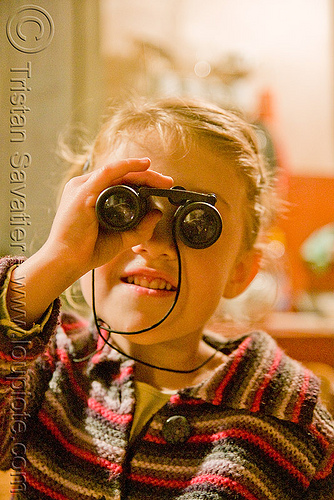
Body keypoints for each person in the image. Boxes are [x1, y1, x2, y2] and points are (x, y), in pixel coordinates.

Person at [0, 97, 333, 500]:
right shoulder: (41, 366)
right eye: (125, 206)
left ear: (241, 271)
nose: (152, 244)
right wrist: (56, 260)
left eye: (196, 222)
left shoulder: (289, 414)